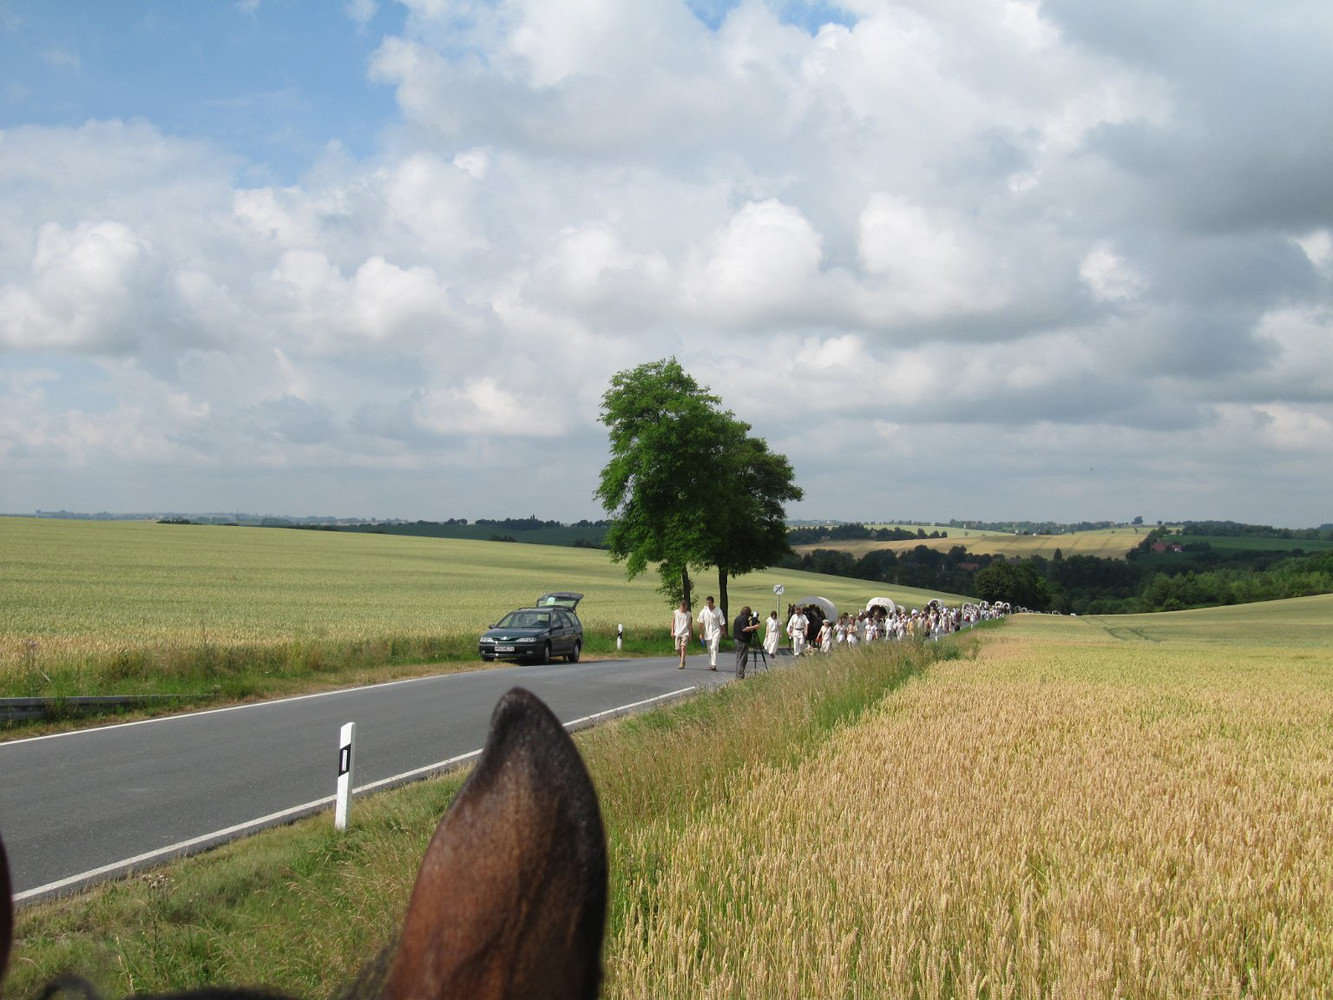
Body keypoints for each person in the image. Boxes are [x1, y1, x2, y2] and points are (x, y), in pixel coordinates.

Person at [696, 595, 726, 671]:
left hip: (716, 631)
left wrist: (723, 632)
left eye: (710, 603)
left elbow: (722, 622)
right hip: (707, 632)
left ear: (713, 603)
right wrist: (701, 633)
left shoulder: (718, 611)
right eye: (707, 603)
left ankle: (714, 664)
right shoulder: (704, 611)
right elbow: (701, 623)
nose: (708, 605)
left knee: (714, 647)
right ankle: (710, 664)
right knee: (709, 649)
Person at [732, 605, 760, 679]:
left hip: (737, 640)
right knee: (743, 659)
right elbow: (744, 629)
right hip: (742, 641)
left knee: (739, 658)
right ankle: (740, 676)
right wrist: (754, 627)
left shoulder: (738, 618)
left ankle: (738, 675)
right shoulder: (744, 618)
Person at [670, 598, 692, 669]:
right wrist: (672, 631)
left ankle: (682, 663)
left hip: (685, 633)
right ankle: (682, 658)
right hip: (677, 632)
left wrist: (690, 634)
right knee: (677, 649)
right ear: (680, 606)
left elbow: (690, 625)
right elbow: (673, 621)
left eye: (685, 607)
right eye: (682, 607)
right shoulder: (676, 612)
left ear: (686, 606)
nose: (684, 609)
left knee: (683, 647)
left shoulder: (688, 614)